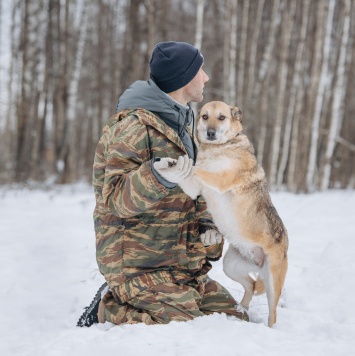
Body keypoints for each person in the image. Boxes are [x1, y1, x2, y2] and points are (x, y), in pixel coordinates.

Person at [77, 41, 249, 327]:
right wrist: (155, 176)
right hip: (138, 267)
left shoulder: (184, 128)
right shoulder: (133, 127)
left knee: (233, 321)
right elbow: (115, 200)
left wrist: (208, 224)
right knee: (185, 324)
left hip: (181, 267)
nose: (205, 77)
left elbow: (198, 192)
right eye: (200, 70)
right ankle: (107, 308)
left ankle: (163, 297)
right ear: (184, 78)